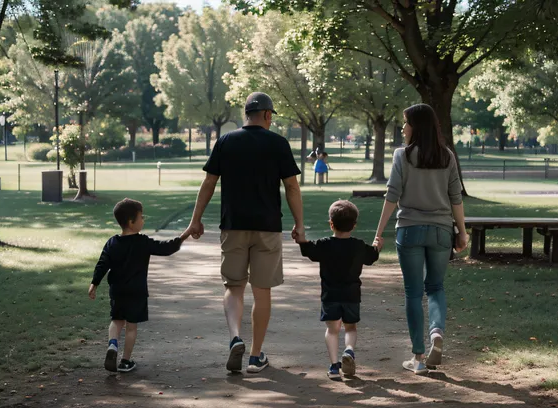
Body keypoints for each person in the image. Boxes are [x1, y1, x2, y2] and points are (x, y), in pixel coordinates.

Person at [186, 92, 304, 374]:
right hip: (267, 227)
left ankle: (235, 337)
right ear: (266, 115)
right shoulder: (278, 143)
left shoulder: (226, 141)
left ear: (246, 115)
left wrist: (196, 220)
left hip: (233, 225)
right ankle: (254, 356)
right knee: (262, 291)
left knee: (233, 286)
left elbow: (209, 182)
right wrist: (299, 223)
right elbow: (291, 187)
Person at [374, 104, 469, 375]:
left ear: (417, 127)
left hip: (410, 229)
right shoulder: (447, 156)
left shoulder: (402, 156)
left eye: (406, 123)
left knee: (413, 292)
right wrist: (461, 232)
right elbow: (456, 199)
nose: (403, 128)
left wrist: (379, 232)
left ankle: (417, 357)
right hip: (441, 230)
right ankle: (436, 333)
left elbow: (392, 196)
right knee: (436, 287)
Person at [89, 198, 191, 373]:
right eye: (141, 217)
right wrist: (186, 233)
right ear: (131, 222)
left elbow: (102, 264)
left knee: (116, 321)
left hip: (118, 290)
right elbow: (166, 248)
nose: (144, 220)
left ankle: (112, 344)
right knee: (131, 327)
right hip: (137, 291)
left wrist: (94, 283)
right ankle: (125, 361)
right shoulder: (143, 242)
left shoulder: (112, 243)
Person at [295, 200, 382, 379]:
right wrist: (377, 247)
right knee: (350, 328)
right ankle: (349, 351)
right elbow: (371, 257)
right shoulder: (358, 246)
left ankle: (334, 366)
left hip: (330, 295)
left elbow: (309, 251)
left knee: (333, 330)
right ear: (354, 225)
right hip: (352, 295)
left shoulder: (325, 244)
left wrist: (301, 239)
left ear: (331, 224)